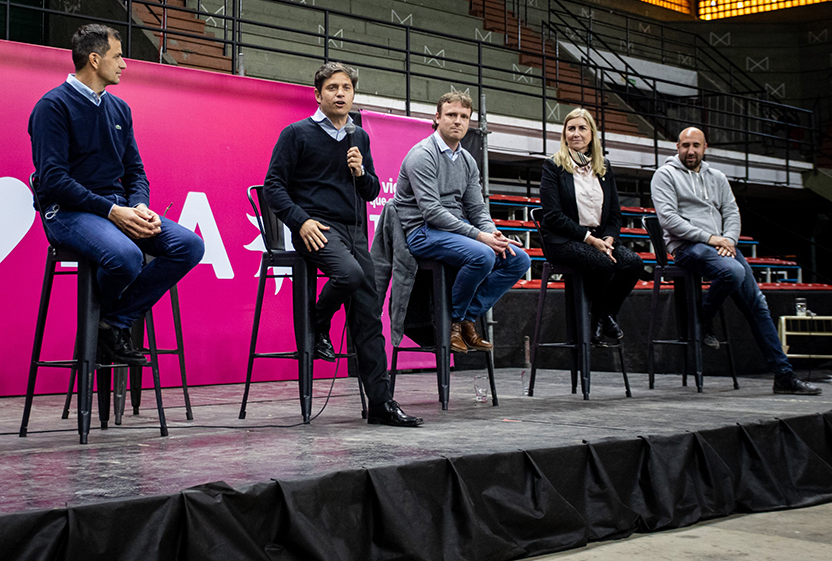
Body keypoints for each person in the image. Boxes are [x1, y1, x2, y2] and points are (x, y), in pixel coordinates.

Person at [29, 24, 204, 366]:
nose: (124, 64)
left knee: (189, 245)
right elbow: (52, 180)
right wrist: (112, 211)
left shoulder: (120, 109)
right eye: (118, 56)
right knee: (125, 256)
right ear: (94, 60)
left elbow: (135, 171)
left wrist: (139, 206)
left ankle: (110, 322)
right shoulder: (52, 107)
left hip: (117, 209)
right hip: (66, 213)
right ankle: (107, 327)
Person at [264, 62, 422, 427]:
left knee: (369, 316)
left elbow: (368, 192)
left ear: (353, 95)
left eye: (346, 88)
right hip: (316, 227)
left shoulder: (359, 137)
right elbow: (273, 187)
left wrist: (360, 172)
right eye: (332, 88)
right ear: (318, 95)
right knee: (349, 275)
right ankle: (317, 323)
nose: (340, 94)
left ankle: (381, 404)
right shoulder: (296, 134)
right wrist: (300, 222)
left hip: (354, 231)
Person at [651, 127, 820, 395]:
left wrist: (728, 240)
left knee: (758, 305)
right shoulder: (664, 175)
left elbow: (731, 212)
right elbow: (670, 220)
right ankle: (703, 320)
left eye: (696, 145)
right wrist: (711, 239)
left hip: (720, 246)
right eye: (685, 145)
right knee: (732, 272)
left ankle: (783, 375)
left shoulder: (717, 177)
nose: (690, 150)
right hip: (687, 246)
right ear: (677, 146)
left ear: (706, 147)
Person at [392, 91, 530, 353]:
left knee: (518, 259)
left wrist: (492, 232)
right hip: (422, 232)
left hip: (455, 233)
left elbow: (477, 208)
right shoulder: (422, 155)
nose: (457, 121)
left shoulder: (466, 160)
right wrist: (480, 237)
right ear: (437, 117)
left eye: (464, 117)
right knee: (482, 255)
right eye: (451, 115)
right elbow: (431, 211)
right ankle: (454, 323)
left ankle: (466, 317)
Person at [539, 108, 644, 345]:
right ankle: (600, 320)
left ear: (592, 133)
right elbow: (553, 216)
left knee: (633, 264)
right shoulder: (553, 166)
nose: (576, 134)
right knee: (603, 264)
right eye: (571, 128)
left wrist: (608, 239)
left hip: (598, 239)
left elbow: (615, 214)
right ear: (565, 133)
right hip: (563, 239)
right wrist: (589, 239)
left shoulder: (604, 167)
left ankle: (602, 315)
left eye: (582, 128)